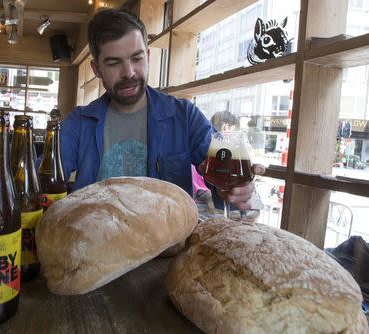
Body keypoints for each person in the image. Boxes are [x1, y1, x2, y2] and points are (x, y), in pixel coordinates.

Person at [59, 9, 265, 211]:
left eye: (137, 58)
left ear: (148, 56)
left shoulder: (185, 116)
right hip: (96, 240)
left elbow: (221, 171)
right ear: (97, 69)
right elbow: (44, 174)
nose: (129, 72)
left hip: (169, 244)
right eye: (114, 63)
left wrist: (234, 189)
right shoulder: (79, 122)